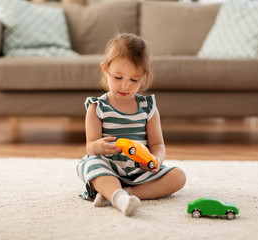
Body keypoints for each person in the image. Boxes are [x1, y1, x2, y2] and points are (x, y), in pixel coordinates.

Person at [76, 33, 186, 216]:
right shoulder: (97, 107)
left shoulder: (148, 107)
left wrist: (156, 160)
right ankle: (116, 195)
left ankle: (124, 194)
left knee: (178, 177)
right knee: (91, 164)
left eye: (133, 80)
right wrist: (99, 146)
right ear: (105, 69)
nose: (125, 86)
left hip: (140, 172)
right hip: (109, 167)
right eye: (118, 77)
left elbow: (158, 145)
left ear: (143, 76)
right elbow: (90, 147)